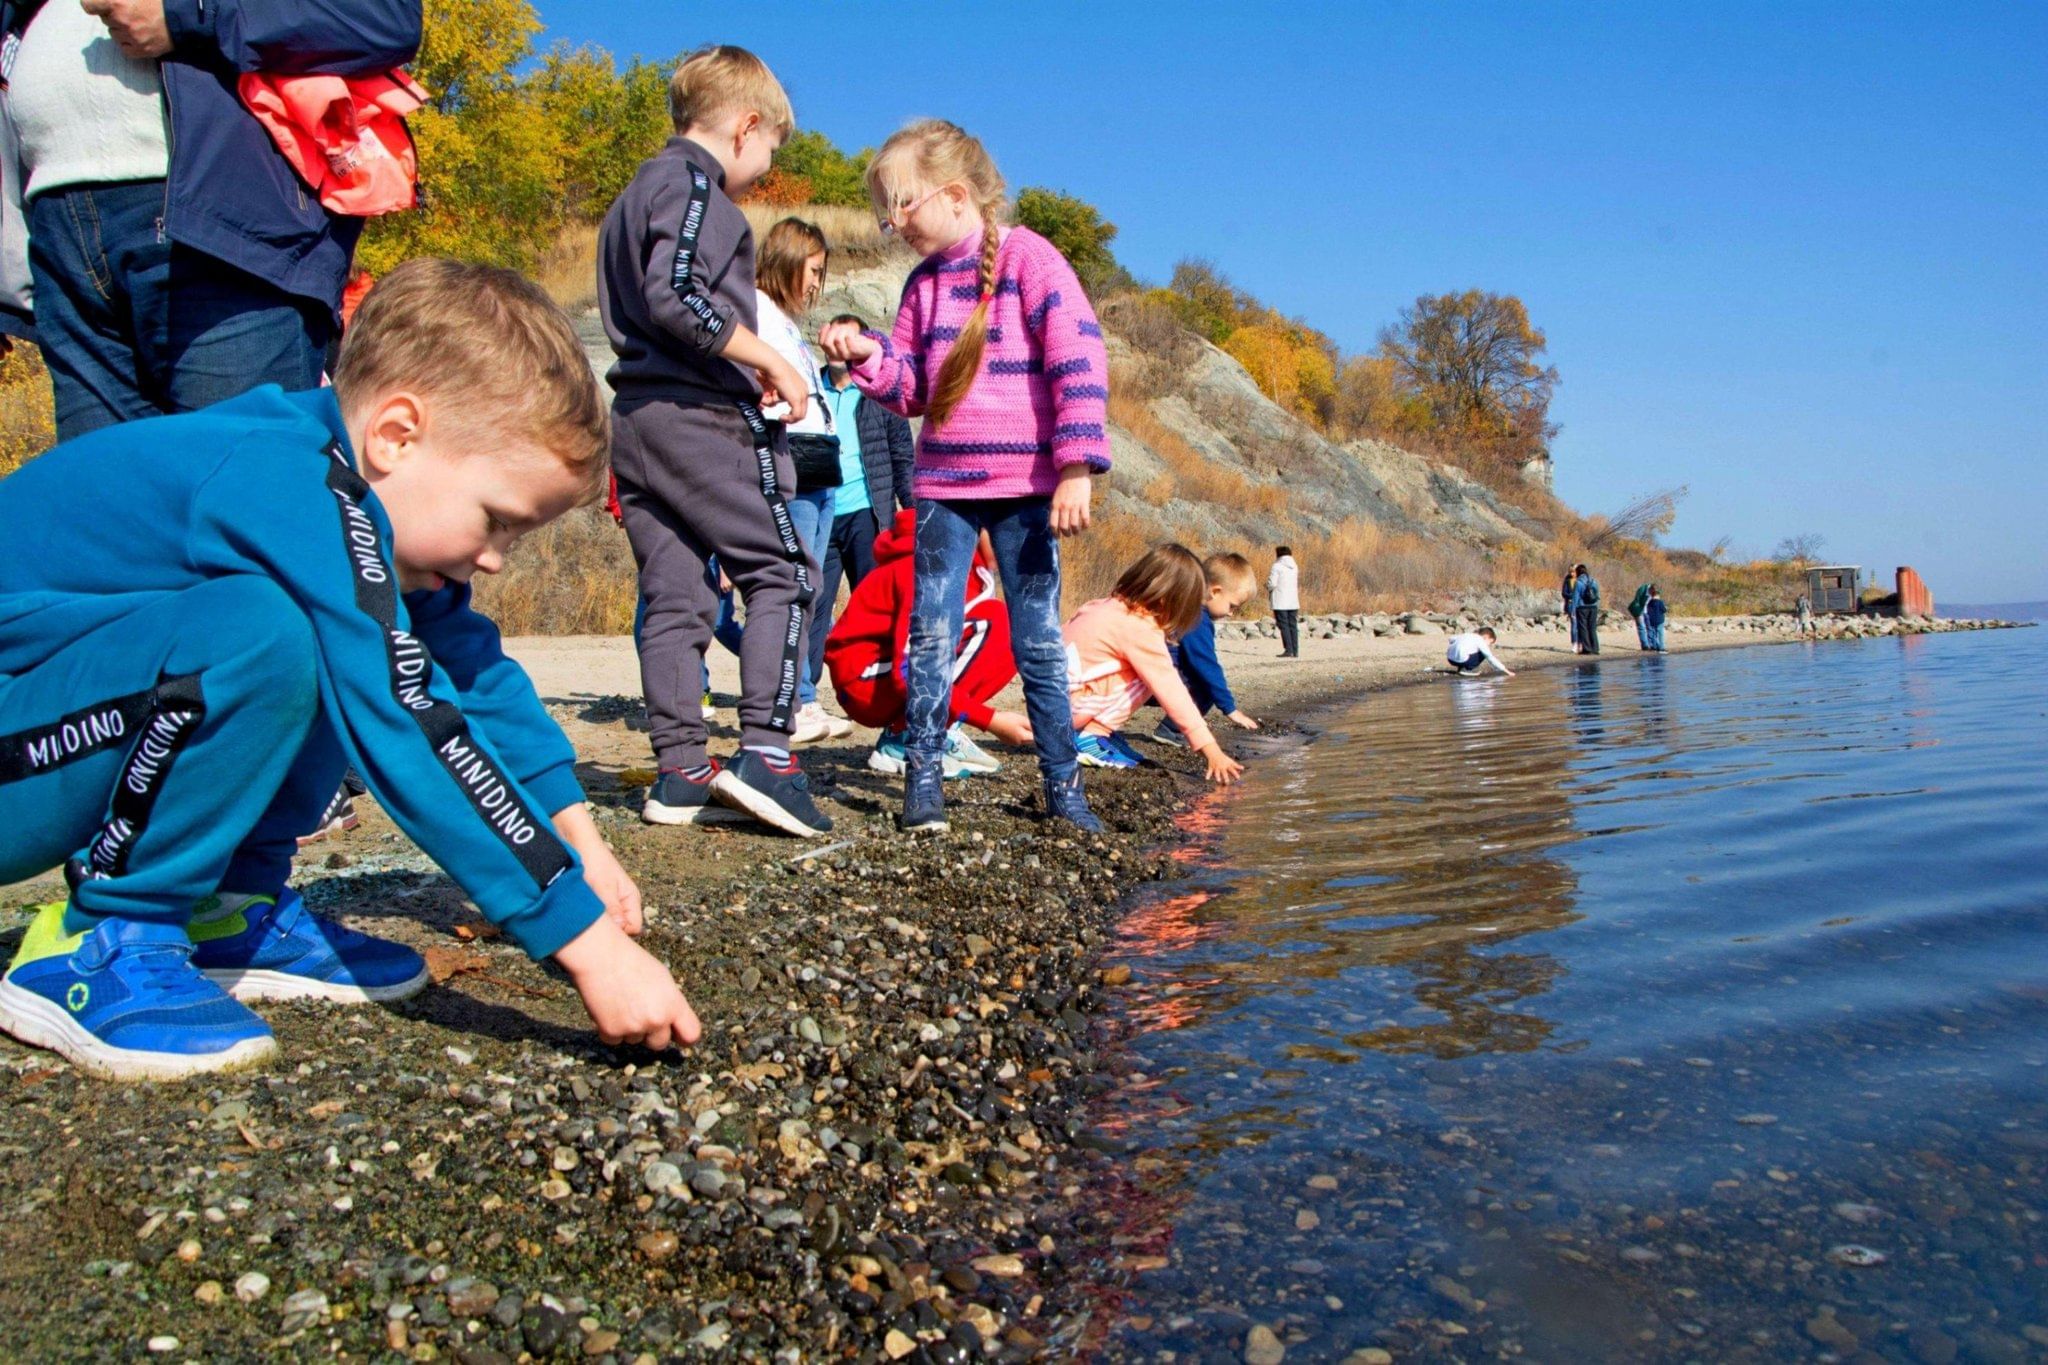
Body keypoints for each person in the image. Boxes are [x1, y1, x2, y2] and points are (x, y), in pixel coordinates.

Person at [0, 258, 701, 1081]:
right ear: (397, 435)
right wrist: (584, 947)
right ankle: (103, 938)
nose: (497, 560)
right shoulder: (285, 477)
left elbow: (470, 671)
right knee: (277, 635)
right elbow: (403, 712)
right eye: (498, 522)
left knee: (340, 632)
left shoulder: (351, 502)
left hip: (48, 740)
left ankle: (225, 908)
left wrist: (575, 837)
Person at [818, 119, 1109, 836]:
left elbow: (1079, 359)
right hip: (943, 487)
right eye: (886, 211)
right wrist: (864, 355)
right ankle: (923, 781)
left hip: (1027, 487)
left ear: (953, 194)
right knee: (929, 632)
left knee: (1039, 639)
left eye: (902, 205)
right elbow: (912, 388)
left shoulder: (1030, 259)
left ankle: (1063, 787)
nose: (893, 223)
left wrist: (1076, 467)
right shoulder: (921, 286)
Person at [0, 0, 420, 441]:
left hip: (226, 226)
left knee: (240, 487)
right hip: (58, 236)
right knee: (104, 501)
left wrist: (186, 11)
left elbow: (382, 18)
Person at [597, 46, 830, 837]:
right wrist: (767, 358)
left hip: (637, 421)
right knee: (785, 570)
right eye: (770, 152)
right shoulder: (696, 187)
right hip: (701, 422)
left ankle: (681, 772)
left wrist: (739, 361)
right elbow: (675, 294)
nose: (765, 170)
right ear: (745, 125)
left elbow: (653, 307)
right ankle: (768, 752)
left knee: (677, 594)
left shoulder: (634, 193)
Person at [824, 508, 1031, 779]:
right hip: (865, 682)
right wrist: (988, 720)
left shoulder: (969, 567)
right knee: (996, 621)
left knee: (1010, 631)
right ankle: (907, 736)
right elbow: (909, 669)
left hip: (888, 671)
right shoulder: (926, 566)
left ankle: (936, 727)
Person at [752, 216, 851, 746]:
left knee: (807, 589)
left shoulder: (784, 323)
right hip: (792, 461)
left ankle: (802, 698)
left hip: (817, 466)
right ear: (788, 261)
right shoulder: (757, 313)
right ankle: (787, 702)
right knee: (792, 586)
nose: (817, 284)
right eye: (813, 270)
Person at [1066, 545, 1244, 786]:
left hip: (1055, 699)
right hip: (1073, 707)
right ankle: (1090, 737)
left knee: (1137, 668)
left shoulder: (1102, 605)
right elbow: (1170, 689)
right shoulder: (1138, 627)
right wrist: (1210, 749)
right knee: (1152, 674)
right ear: (1167, 600)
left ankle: (1095, 731)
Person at [810, 310, 915, 701]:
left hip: (868, 516)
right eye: (836, 339)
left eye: (851, 342)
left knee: (874, 606)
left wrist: (914, 509)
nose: (842, 349)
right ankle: (805, 695)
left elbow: (902, 457)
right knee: (814, 605)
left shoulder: (880, 395)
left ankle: (884, 691)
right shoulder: (808, 389)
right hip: (820, 513)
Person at [1155, 551, 1261, 746]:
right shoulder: (1196, 619)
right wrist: (1230, 709)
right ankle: (1172, 729)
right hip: (1153, 680)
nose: (1231, 613)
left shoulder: (1182, 604)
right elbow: (1205, 663)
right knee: (1207, 685)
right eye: (1232, 606)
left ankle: (1172, 727)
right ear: (1215, 591)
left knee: (1203, 681)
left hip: (1148, 675)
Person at [1267, 544, 1301, 658]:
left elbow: (1272, 583)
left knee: (1284, 625)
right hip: (1293, 600)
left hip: (1280, 600)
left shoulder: (1276, 566)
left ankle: (1288, 649)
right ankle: (1295, 650)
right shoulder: (1294, 566)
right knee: (1293, 625)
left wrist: (1267, 586)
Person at [1447, 626, 1514, 676]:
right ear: (1486, 637)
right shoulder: (1480, 640)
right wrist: (1507, 671)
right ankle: (1467, 670)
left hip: (1450, 659)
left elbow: (1451, 639)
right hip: (1462, 659)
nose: (1489, 645)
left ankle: (1461, 668)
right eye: (1490, 643)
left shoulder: (1466, 634)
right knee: (1483, 654)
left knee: (1467, 652)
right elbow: (1490, 657)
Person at [1571, 562, 1602, 654]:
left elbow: (1575, 597)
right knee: (1592, 628)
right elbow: (1597, 594)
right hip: (1593, 607)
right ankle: (1595, 648)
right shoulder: (1593, 581)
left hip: (1582, 607)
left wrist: (1573, 611)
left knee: (1583, 628)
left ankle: (1587, 648)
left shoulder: (1579, 582)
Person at [1628, 581, 1653, 650]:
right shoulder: (1643, 589)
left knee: (1650, 627)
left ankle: (1651, 644)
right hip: (1639, 610)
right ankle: (1645, 646)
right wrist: (1638, 614)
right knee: (1641, 627)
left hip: (1648, 612)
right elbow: (1637, 601)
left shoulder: (1655, 592)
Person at [1643, 585, 1668, 651]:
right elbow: (1664, 610)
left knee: (1654, 634)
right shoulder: (1660, 602)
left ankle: (1654, 646)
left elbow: (1648, 611)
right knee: (1660, 634)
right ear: (1657, 596)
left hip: (1652, 620)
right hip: (1660, 620)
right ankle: (1661, 647)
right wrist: (1666, 608)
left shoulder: (1649, 603)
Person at [1562, 567, 1581, 652]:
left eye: (1573, 572)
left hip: (1580, 605)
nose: (1572, 574)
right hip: (1570, 604)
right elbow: (1564, 593)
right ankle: (1574, 643)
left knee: (1580, 625)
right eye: (1571, 572)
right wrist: (1572, 596)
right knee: (1574, 624)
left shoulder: (1580, 581)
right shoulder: (1567, 581)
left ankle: (1580, 643)